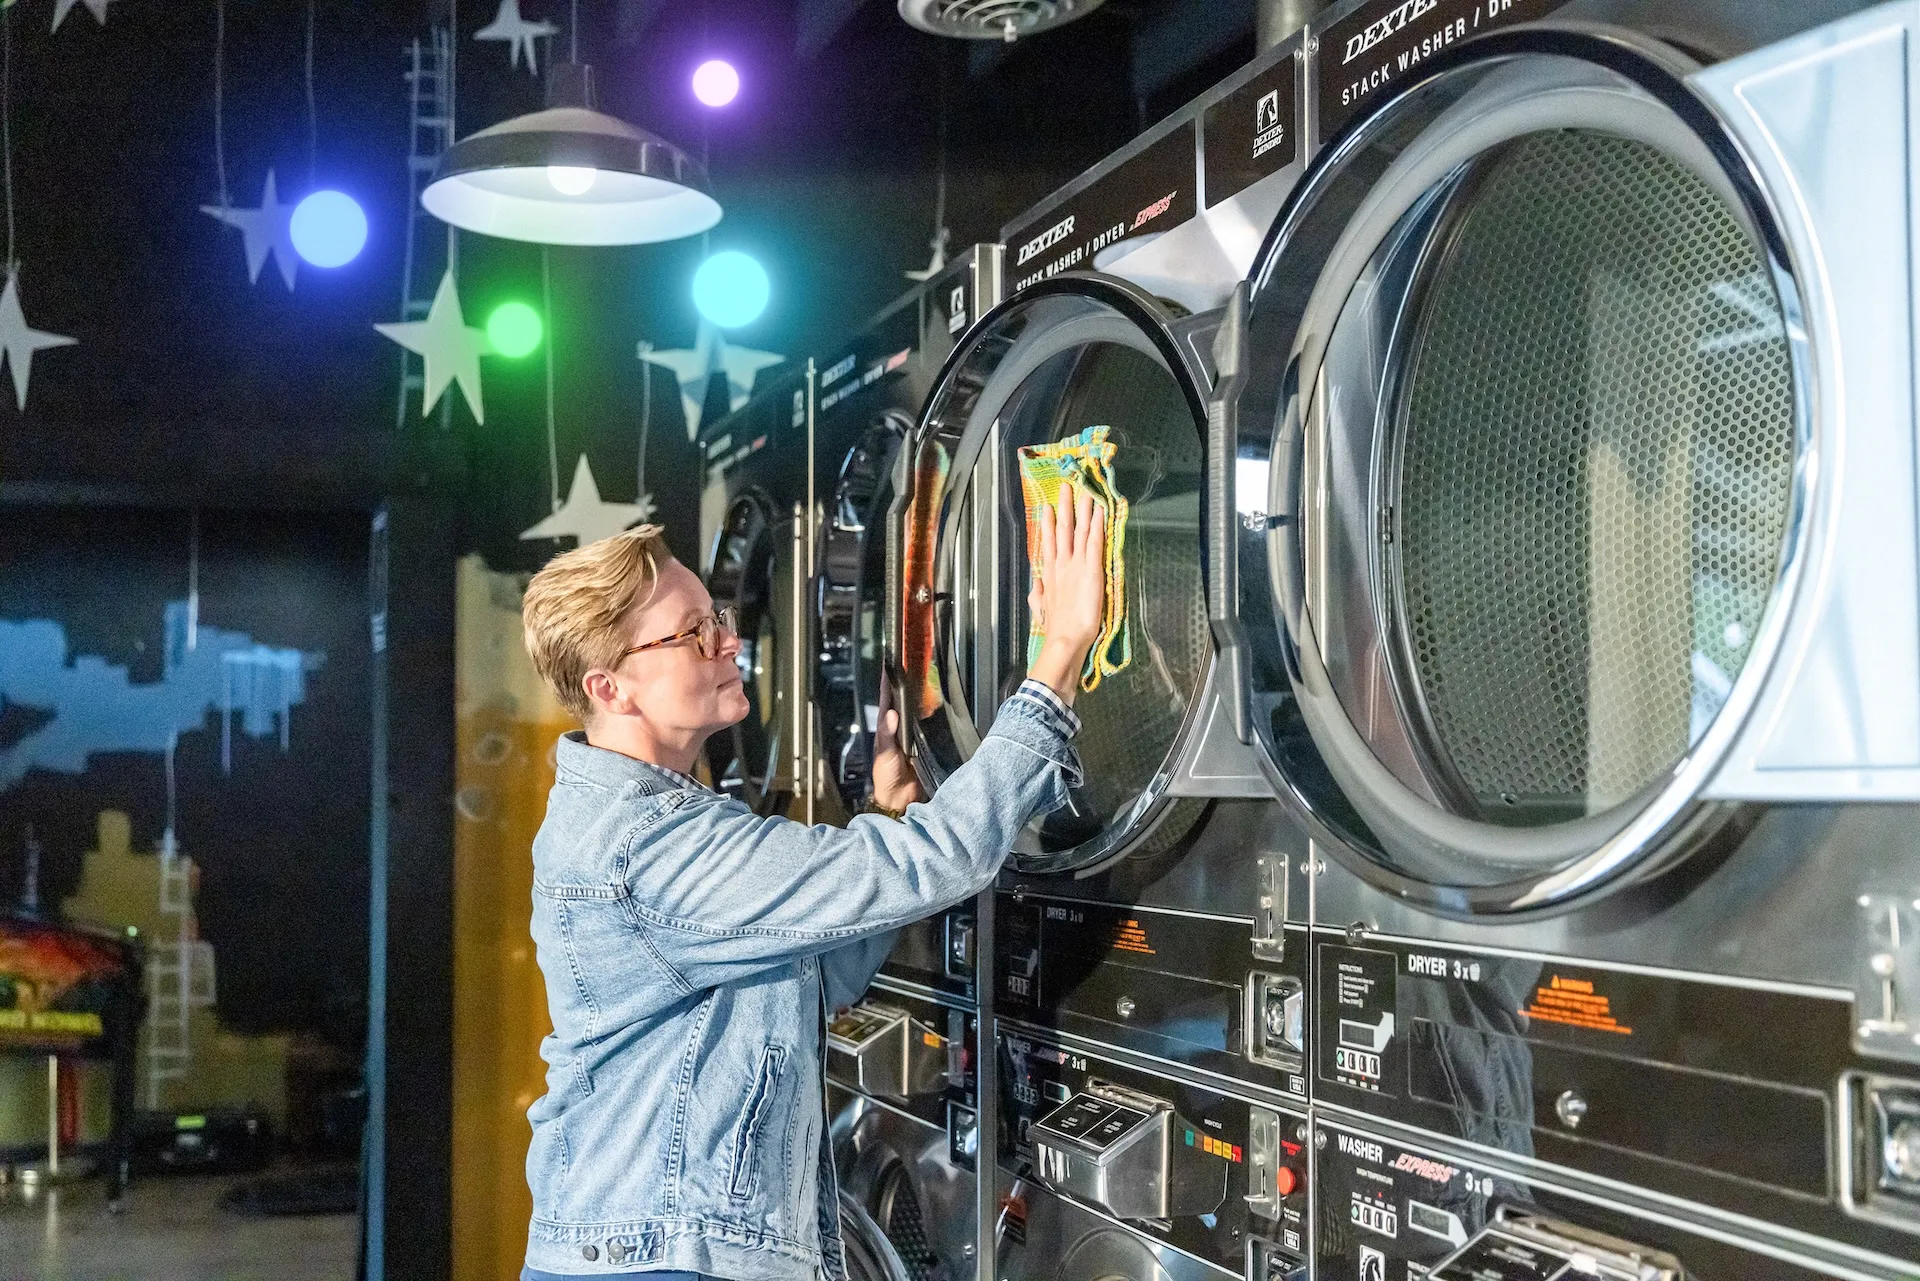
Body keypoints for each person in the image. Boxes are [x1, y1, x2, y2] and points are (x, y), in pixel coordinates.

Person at [515, 486, 1108, 1281]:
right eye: (695, 633)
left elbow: (814, 972)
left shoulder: (647, 814)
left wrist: (888, 817)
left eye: (718, 620)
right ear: (608, 688)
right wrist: (1059, 655)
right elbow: (942, 859)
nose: (730, 644)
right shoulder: (642, 844)